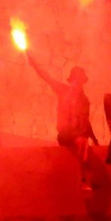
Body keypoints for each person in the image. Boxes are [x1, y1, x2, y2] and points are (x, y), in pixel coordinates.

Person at [26, 46, 97, 187]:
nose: (78, 83)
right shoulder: (63, 90)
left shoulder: (84, 99)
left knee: (83, 141)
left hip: (79, 135)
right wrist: (32, 61)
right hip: (65, 134)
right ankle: (82, 180)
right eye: (76, 80)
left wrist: (94, 138)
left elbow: (86, 120)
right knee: (82, 142)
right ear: (72, 80)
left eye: (80, 80)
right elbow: (46, 76)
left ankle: (88, 177)